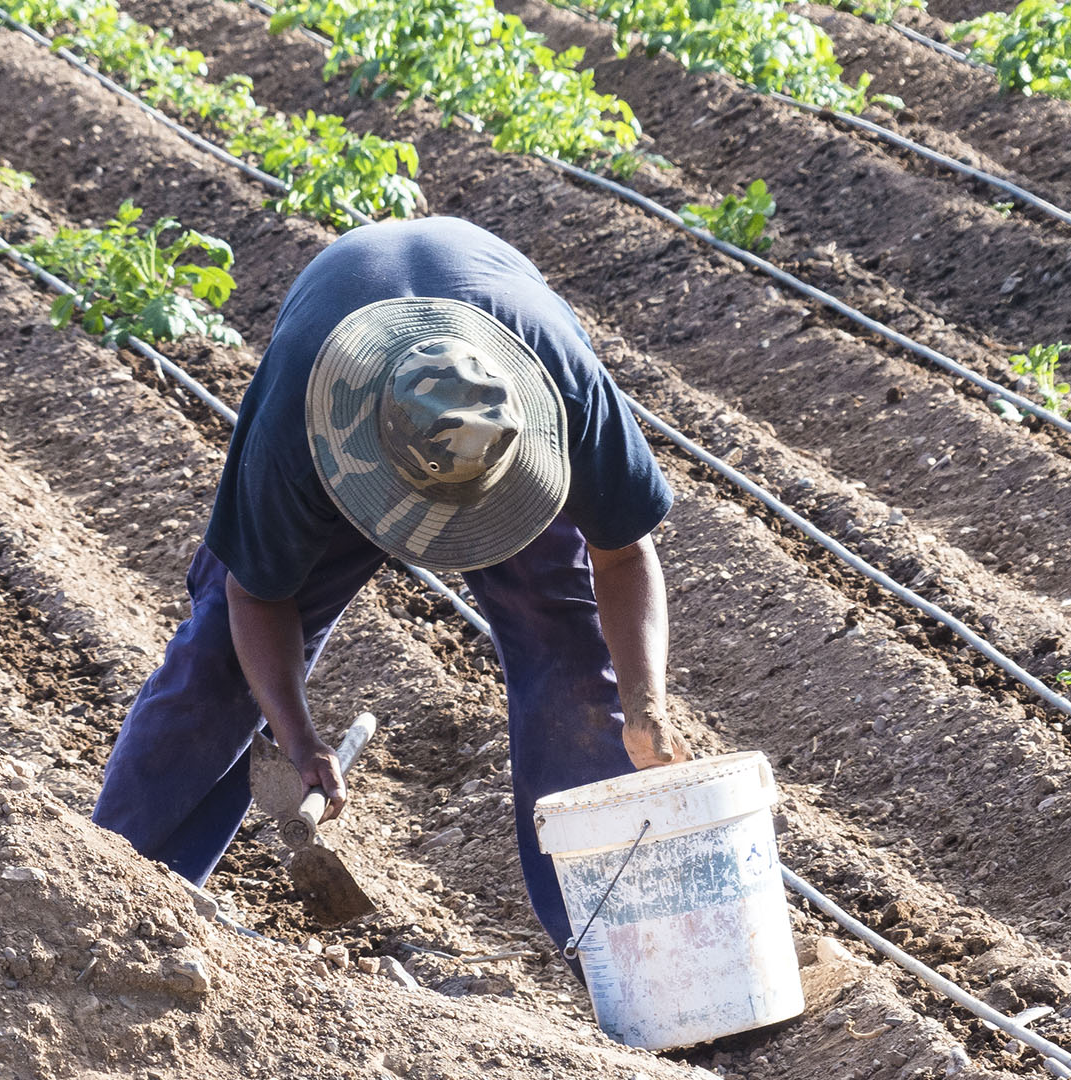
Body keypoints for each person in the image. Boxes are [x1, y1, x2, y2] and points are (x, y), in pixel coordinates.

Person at [93, 216, 692, 951]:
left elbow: (624, 555)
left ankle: (624, 946)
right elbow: (258, 597)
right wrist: (298, 737)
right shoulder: (301, 420)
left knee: (572, 648)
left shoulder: (563, 382)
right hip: (346, 407)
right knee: (221, 656)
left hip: (498, 382)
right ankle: (111, 886)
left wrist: (646, 703)